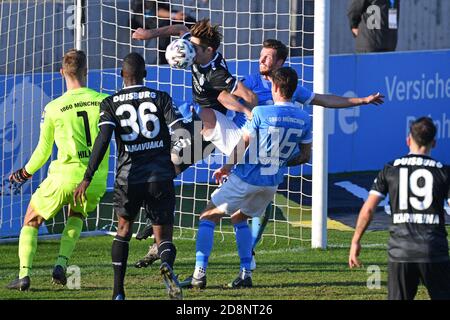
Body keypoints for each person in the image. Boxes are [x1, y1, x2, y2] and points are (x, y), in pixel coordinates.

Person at [133, 38, 386, 270]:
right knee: (187, 147)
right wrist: (244, 109)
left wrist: (361, 101)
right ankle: (161, 219)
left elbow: (324, 100)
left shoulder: (288, 87)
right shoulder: (248, 82)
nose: (261, 60)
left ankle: (237, 266)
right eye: (261, 55)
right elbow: (221, 96)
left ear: (280, 62)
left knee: (234, 214)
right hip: (238, 142)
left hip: (260, 159)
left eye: (267, 57)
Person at [180, 66, 312, 289]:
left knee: (207, 216)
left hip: (247, 177)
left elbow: (244, 142)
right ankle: (245, 274)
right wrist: (278, 162)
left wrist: (226, 168)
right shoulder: (304, 118)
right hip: (271, 184)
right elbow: (304, 156)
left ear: (276, 87)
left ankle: (198, 275)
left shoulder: (261, 113)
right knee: (239, 218)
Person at [73, 52, 183, 300]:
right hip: (159, 176)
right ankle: (167, 266)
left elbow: (103, 140)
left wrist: (88, 176)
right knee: (163, 236)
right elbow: (182, 133)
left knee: (123, 231)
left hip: (128, 177)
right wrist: (175, 163)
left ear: (122, 75)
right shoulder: (160, 98)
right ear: (145, 74)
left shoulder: (110, 103)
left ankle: (118, 291)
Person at [6, 49, 109, 291]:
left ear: (61, 72)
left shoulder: (54, 107)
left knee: (31, 218)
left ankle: (24, 275)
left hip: (63, 177)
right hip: (94, 179)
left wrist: (24, 173)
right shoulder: (104, 100)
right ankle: (61, 264)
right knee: (76, 216)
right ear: (86, 71)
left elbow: (43, 150)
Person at [349, 117, 450, 300]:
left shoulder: (390, 169)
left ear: (408, 140)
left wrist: (356, 240)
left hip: (401, 251)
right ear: (434, 143)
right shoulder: (444, 171)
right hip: (434, 249)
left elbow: (369, 209)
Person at [132, 18, 258, 157]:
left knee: (163, 107)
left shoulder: (216, 74)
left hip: (210, 121)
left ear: (209, 50)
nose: (188, 50)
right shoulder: (194, 47)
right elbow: (181, 29)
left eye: (194, 48)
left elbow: (250, 96)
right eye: (189, 45)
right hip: (197, 111)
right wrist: (149, 33)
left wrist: (248, 119)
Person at [130, 0, 196, 64]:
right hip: (144, 18)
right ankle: (164, 61)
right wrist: (174, 15)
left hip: (162, 15)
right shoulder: (143, 4)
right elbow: (152, 11)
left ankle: (193, 51)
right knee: (164, 26)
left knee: (190, 21)